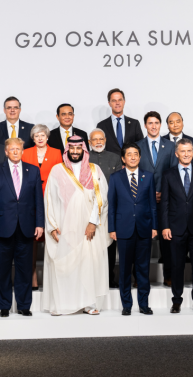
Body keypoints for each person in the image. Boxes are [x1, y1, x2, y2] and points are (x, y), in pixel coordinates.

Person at [42, 137, 111, 315]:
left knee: (89, 264)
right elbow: (49, 199)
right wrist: (52, 226)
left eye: (78, 148)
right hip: (65, 227)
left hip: (88, 228)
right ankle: (64, 303)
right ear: (67, 150)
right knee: (66, 265)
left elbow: (101, 198)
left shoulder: (95, 170)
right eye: (71, 148)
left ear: (84, 150)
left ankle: (89, 304)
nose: (74, 151)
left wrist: (93, 223)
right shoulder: (57, 170)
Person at [0, 137, 45, 317]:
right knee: (2, 269)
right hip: (2, 227)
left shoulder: (33, 171)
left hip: (26, 227)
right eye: (12, 149)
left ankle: (24, 305)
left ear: (22, 151)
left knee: (24, 269)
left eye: (18, 149)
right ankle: (4, 305)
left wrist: (40, 224)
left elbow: (38, 201)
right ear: (6, 152)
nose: (15, 152)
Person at [161, 138, 193, 313]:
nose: (187, 154)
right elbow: (165, 203)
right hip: (175, 228)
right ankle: (176, 300)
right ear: (177, 153)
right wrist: (165, 226)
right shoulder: (168, 174)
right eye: (183, 151)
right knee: (176, 266)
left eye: (189, 151)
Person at [108, 143, 157, 315]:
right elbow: (112, 205)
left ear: (140, 157)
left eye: (136, 154)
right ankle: (126, 305)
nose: (133, 157)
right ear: (123, 158)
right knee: (124, 269)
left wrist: (154, 226)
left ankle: (143, 304)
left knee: (143, 268)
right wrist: (112, 228)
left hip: (144, 228)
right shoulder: (115, 178)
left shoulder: (148, 176)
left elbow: (152, 204)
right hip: (123, 229)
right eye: (129, 154)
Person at [136, 111, 176, 286]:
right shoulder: (137, 146)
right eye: (150, 123)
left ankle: (169, 275)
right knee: (142, 242)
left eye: (156, 123)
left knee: (167, 241)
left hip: (164, 202)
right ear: (145, 125)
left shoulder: (170, 146)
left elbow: (174, 174)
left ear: (161, 125)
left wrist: (162, 193)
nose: (153, 126)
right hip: (143, 202)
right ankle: (140, 277)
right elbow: (134, 173)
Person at [22, 124, 63, 290]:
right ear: (33, 138)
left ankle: (53, 277)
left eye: (42, 135)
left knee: (52, 236)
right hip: (30, 199)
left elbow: (60, 176)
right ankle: (32, 276)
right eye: (36, 136)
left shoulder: (56, 153)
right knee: (31, 238)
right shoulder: (26, 153)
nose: (40, 138)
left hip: (51, 199)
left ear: (47, 137)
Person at [88, 128, 123, 287]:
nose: (98, 142)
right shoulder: (84, 157)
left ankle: (109, 278)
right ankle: (92, 278)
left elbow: (118, 182)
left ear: (105, 140)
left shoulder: (115, 158)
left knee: (109, 243)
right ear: (89, 142)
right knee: (91, 244)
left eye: (101, 139)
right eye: (95, 139)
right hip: (89, 208)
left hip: (110, 207)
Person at [96, 88, 144, 156]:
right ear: (109, 103)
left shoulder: (134, 124)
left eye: (120, 100)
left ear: (124, 102)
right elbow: (100, 148)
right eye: (114, 101)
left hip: (130, 164)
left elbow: (141, 146)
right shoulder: (101, 126)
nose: (117, 103)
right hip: (110, 164)